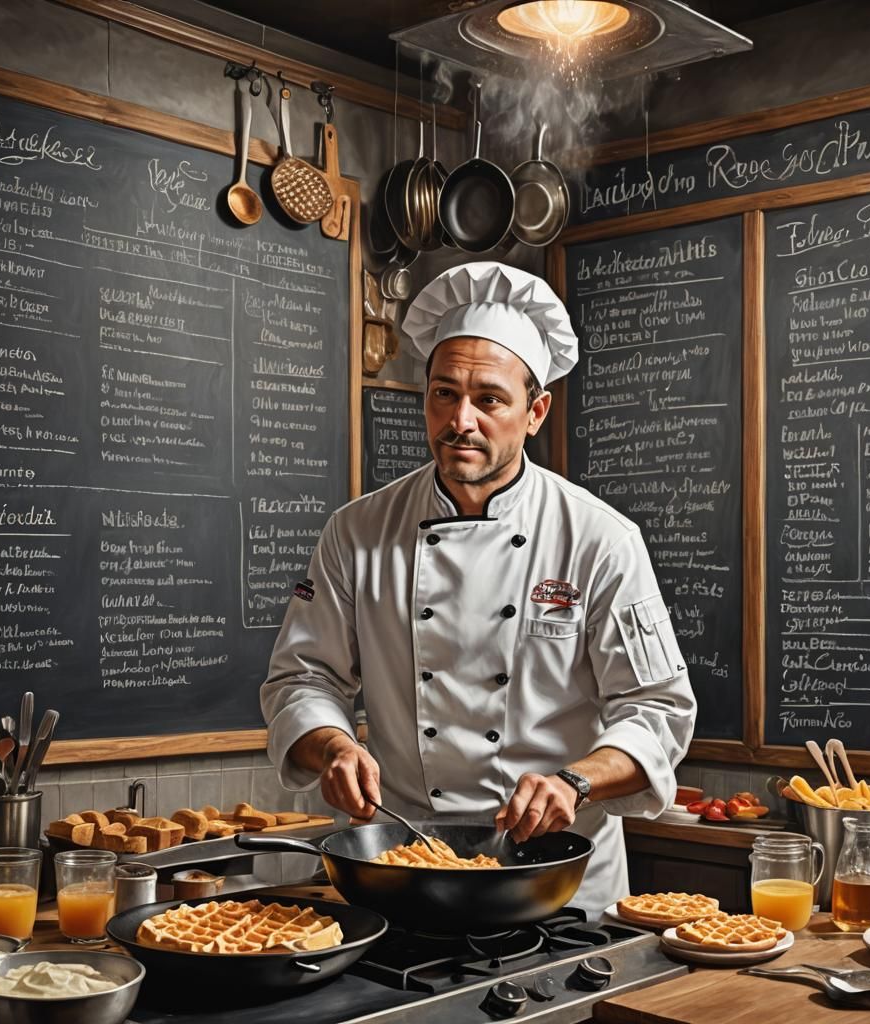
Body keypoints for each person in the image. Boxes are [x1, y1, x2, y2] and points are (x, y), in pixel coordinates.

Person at [261, 261, 696, 916]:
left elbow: (658, 709)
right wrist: (336, 745)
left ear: (534, 412)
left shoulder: (599, 538)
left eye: (488, 399)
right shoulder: (357, 531)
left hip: (557, 875)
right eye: (443, 394)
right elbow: (301, 678)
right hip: (406, 865)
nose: (460, 419)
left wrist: (575, 783)